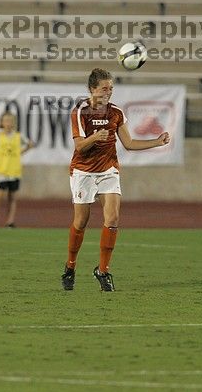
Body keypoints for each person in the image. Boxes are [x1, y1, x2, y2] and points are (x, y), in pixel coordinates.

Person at [61, 68, 170, 291]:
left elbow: (129, 144)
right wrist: (95, 137)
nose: (109, 92)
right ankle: (70, 266)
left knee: (112, 219)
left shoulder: (116, 113)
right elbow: (80, 146)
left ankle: (103, 271)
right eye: (104, 88)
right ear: (92, 89)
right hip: (83, 171)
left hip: (108, 170)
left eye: (111, 88)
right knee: (81, 222)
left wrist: (156, 142)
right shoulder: (81, 110)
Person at [0, 112, 34, 228]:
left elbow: (30, 144)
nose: (8, 123)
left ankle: (10, 222)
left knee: (12, 197)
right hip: (1, 170)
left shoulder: (18, 136)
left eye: (10, 121)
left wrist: (20, 152)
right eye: (6, 121)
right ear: (1, 123)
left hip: (14, 170)